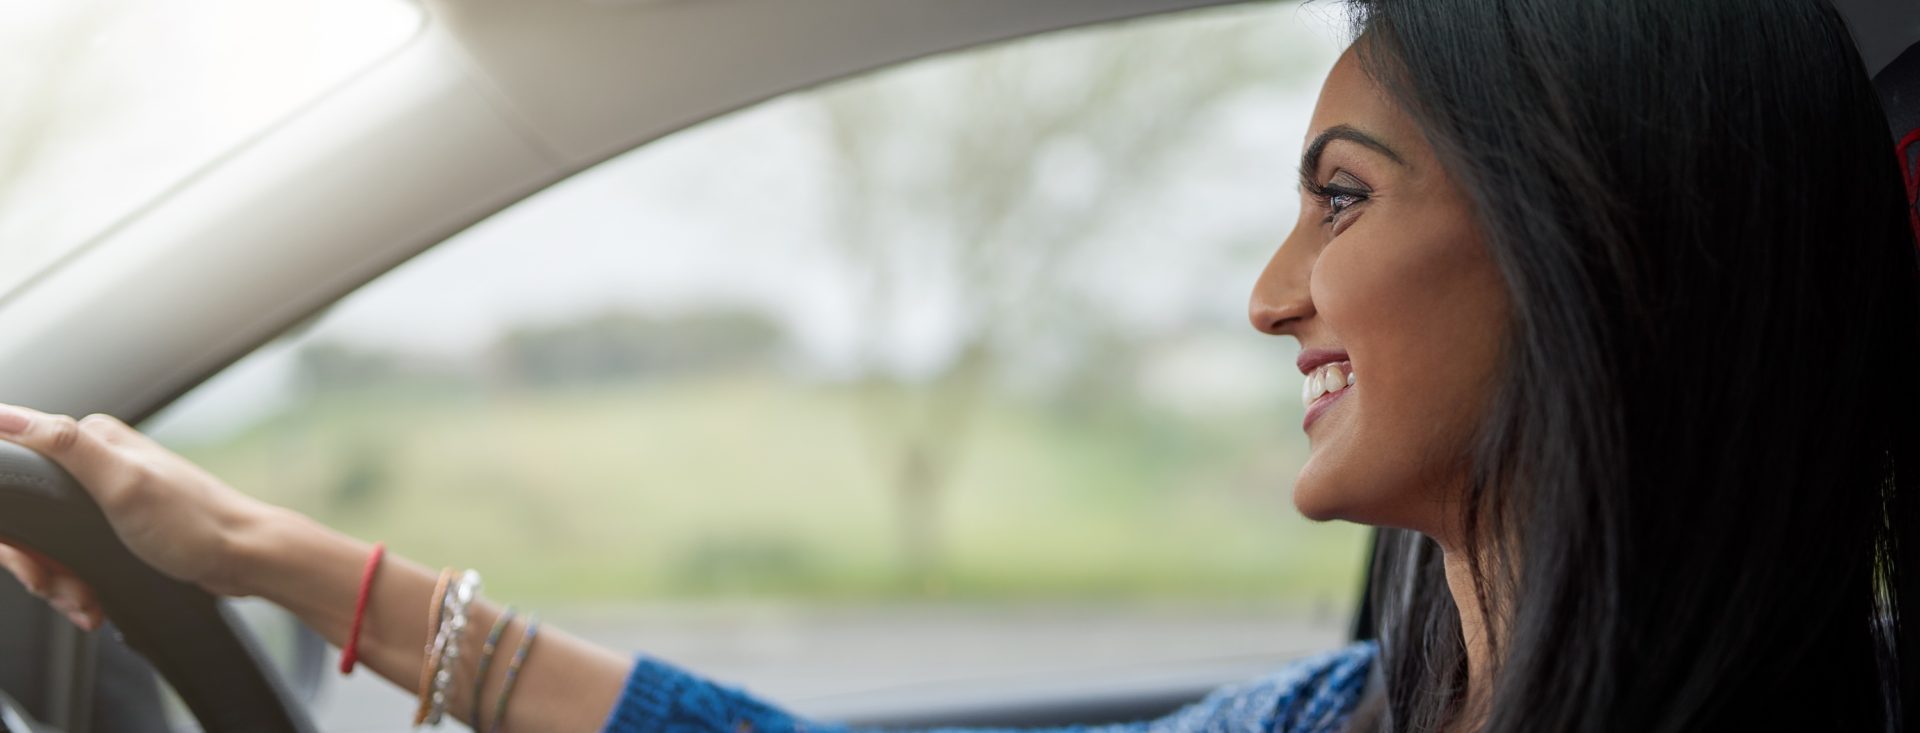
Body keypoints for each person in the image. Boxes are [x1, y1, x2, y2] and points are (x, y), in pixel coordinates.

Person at [4, 0, 1918, 730]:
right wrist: (270, 559)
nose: (1272, 296)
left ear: (1600, 245)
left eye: (1339, 198)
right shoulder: (1341, 712)